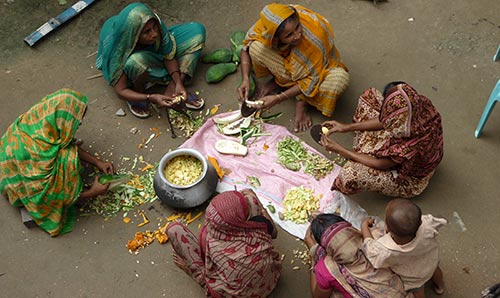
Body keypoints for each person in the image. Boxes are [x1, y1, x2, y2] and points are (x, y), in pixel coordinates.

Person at [0, 89, 114, 237]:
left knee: (68, 153)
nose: (78, 126)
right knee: (68, 161)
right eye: (77, 122)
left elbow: (64, 143)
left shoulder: (40, 119)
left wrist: (97, 162)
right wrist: (93, 192)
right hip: (21, 185)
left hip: (11, 165)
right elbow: (49, 199)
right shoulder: (39, 158)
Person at [237, 3, 349, 132]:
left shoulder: (315, 36)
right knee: (256, 48)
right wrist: (245, 79)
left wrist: (278, 98)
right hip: (293, 65)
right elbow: (246, 47)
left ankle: (301, 102)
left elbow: (311, 79)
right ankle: (281, 82)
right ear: (275, 37)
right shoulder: (269, 25)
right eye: (289, 35)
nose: (297, 35)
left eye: (298, 27)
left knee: (339, 80)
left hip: (320, 67)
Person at [320, 82, 444, 198]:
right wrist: (345, 127)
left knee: (350, 174)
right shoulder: (419, 104)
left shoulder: (407, 147)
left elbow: (379, 164)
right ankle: (362, 152)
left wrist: (339, 150)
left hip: (410, 177)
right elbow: (384, 120)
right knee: (369, 97)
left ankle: (361, 153)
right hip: (404, 147)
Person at [96, 2, 206, 118]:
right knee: (135, 61)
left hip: (152, 53)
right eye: (147, 32)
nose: (154, 34)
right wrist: (151, 97)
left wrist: (177, 82)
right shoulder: (116, 47)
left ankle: (174, 88)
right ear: (134, 35)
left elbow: (168, 55)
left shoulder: (152, 21)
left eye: (154, 28)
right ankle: (139, 92)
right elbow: (120, 90)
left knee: (197, 31)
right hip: (130, 65)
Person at [166, 189, 282, 297]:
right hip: (270, 280)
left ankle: (198, 277)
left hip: (235, 295)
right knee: (248, 194)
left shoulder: (213, 243)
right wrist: (262, 211)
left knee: (174, 229)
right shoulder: (260, 225)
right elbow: (274, 233)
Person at [305, 213, 409, 298]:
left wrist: (313, 257)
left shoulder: (326, 268)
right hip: (403, 292)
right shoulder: (377, 235)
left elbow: (318, 296)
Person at [360, 198, 447, 297]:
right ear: (420, 222)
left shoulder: (388, 249)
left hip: (414, 277)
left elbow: (371, 250)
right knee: (436, 272)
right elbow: (438, 223)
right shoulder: (427, 226)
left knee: (418, 291)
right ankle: (440, 287)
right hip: (431, 262)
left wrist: (364, 226)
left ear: (387, 228)